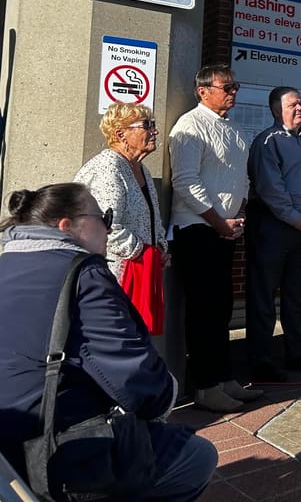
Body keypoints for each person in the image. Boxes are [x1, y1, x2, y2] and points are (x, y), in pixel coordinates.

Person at [0, 183, 218, 501]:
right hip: (54, 455)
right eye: (103, 217)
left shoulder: (7, 266)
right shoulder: (83, 274)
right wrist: (166, 393)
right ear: (67, 225)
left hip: (9, 449)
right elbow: (138, 382)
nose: (108, 227)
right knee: (196, 456)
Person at [168, 65, 262, 411]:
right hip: (198, 229)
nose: (233, 92)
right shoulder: (190, 127)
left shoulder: (235, 129)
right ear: (203, 90)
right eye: (227, 87)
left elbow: (241, 177)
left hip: (226, 229)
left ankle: (224, 378)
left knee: (222, 307)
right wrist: (217, 220)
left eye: (235, 86)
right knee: (203, 309)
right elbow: (185, 181)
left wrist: (239, 213)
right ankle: (206, 386)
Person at [246, 87, 301, 381]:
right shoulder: (267, 142)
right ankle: (260, 361)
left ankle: (298, 354)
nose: (299, 108)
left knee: (296, 296)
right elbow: (271, 188)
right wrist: (295, 218)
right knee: (263, 297)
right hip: (273, 228)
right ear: (276, 110)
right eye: (292, 105)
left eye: (300, 104)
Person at [74, 103, 170, 334]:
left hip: (139, 269)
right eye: (147, 125)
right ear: (120, 134)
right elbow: (107, 225)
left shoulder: (141, 169)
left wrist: (159, 248)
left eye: (153, 125)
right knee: (118, 335)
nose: (155, 131)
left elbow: (152, 216)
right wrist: (142, 251)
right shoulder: (109, 167)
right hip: (115, 275)